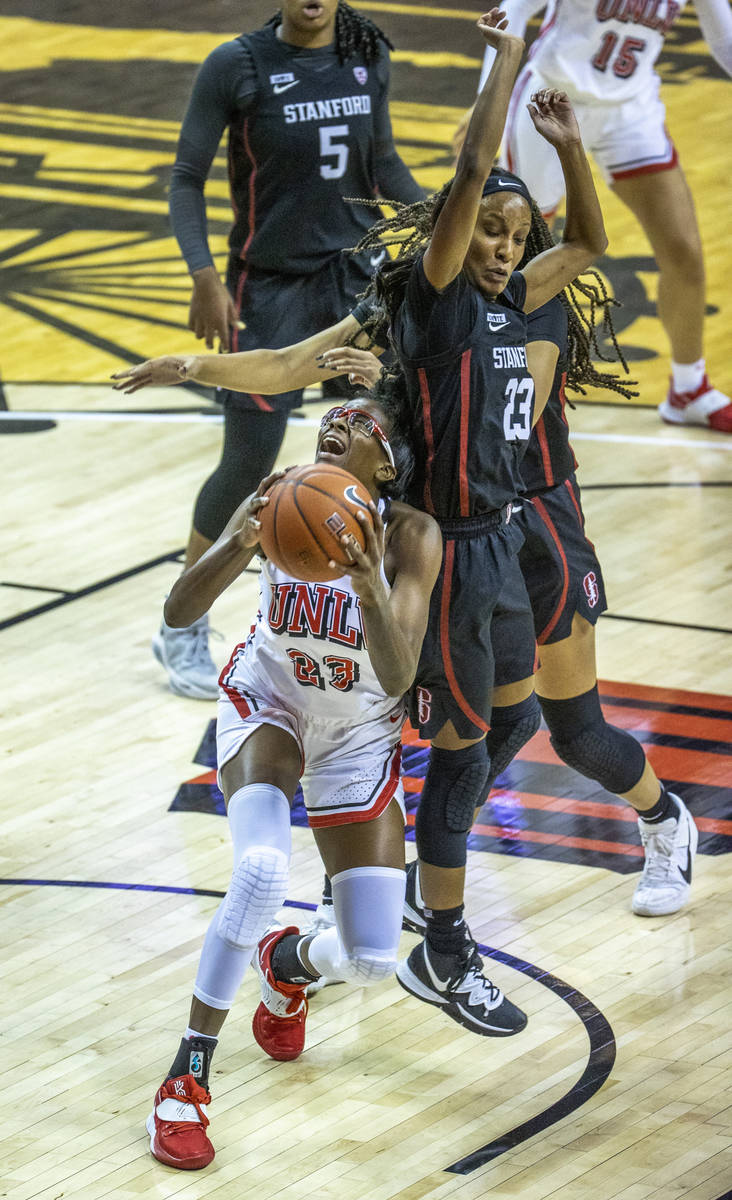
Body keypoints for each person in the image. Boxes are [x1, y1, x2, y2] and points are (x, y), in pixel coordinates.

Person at [338, 10, 609, 1035]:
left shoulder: (514, 302)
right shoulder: (442, 301)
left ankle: (422, 877)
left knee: (519, 718)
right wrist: (500, 64)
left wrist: (573, 150)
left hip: (501, 540)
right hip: (444, 548)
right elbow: (463, 180)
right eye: (489, 233)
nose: (501, 245)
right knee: (459, 753)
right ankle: (442, 950)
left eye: (511, 234)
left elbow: (584, 238)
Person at [143, 384, 442, 1170]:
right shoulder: (281, 496)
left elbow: (399, 672)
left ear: (390, 461)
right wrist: (239, 543)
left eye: (360, 425)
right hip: (270, 700)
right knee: (261, 870)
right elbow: (178, 613)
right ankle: (185, 1080)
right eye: (331, 420)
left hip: (356, 733)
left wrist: (369, 579)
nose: (336, 426)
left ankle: (286, 964)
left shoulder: (412, 534)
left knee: (374, 959)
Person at [156, 0, 424, 701]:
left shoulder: (367, 52)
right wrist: (203, 276)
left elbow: (383, 162)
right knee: (249, 457)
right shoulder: (236, 65)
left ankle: (376, 610)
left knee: (385, 440)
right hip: (267, 287)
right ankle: (183, 628)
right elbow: (186, 176)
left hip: (352, 281)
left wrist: (437, 225)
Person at [456, 0, 732, 433]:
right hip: (549, 98)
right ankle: (489, 374)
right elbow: (513, 11)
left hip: (630, 108)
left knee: (683, 247)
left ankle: (689, 388)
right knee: (520, 252)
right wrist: (486, 98)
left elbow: (724, 38)